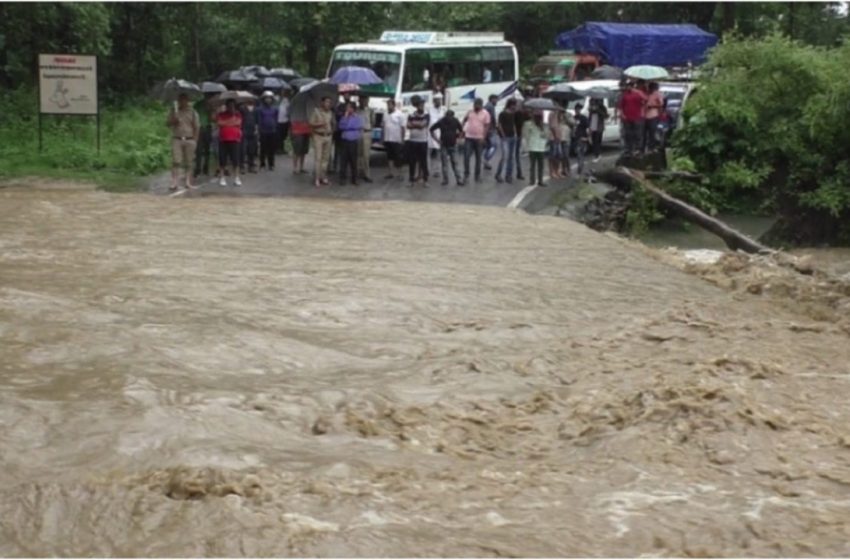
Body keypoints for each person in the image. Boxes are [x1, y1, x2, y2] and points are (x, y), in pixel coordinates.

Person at [167, 93, 200, 192]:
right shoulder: (174, 111)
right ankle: (174, 182)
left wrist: (195, 140)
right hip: (177, 138)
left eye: (184, 99)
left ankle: (188, 182)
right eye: (180, 99)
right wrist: (174, 120)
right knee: (176, 161)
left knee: (189, 162)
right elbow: (167, 123)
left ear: (187, 100)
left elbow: (197, 127)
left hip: (190, 139)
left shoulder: (193, 112)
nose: (182, 101)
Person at [429, 109, 464, 187]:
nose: (449, 118)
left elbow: (461, 131)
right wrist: (437, 140)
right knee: (452, 163)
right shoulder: (450, 120)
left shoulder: (448, 121)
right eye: (448, 116)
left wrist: (458, 140)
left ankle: (450, 180)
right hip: (447, 145)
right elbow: (431, 129)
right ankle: (455, 180)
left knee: (450, 163)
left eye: (449, 116)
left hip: (450, 144)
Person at [462, 97, 490, 183]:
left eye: (478, 105)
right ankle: (466, 175)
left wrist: (483, 137)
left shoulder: (485, 113)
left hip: (479, 138)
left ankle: (477, 176)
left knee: (478, 158)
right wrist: (461, 130)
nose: (476, 106)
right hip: (469, 137)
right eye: (475, 105)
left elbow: (487, 126)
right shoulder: (470, 112)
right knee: (466, 157)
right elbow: (464, 120)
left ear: (481, 105)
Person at [216, 98, 243, 187]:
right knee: (222, 159)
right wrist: (231, 122)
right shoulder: (221, 114)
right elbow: (220, 123)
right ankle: (222, 177)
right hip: (223, 139)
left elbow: (238, 123)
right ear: (226, 106)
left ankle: (236, 178)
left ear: (234, 106)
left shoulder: (238, 114)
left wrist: (226, 123)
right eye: (229, 105)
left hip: (235, 139)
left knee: (236, 160)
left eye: (232, 105)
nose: (231, 107)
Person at [405, 95, 430, 187]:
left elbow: (423, 125)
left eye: (422, 104)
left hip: (423, 141)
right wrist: (417, 124)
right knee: (412, 161)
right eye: (420, 105)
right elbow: (408, 125)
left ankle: (425, 180)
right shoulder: (411, 115)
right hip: (413, 141)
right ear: (416, 105)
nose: (422, 106)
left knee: (423, 161)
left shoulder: (426, 115)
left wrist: (414, 124)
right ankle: (411, 180)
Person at [310, 96, 335, 187]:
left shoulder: (330, 113)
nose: (328, 104)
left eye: (329, 102)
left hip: (328, 136)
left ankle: (323, 176)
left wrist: (332, 130)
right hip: (318, 136)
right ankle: (317, 178)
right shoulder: (316, 111)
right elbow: (311, 123)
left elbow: (332, 123)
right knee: (318, 158)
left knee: (326, 158)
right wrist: (320, 124)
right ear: (322, 103)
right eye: (326, 102)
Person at [337, 101, 363, 186]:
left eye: (349, 107)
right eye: (347, 107)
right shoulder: (344, 117)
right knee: (343, 160)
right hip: (344, 140)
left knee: (353, 160)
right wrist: (345, 118)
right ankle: (342, 178)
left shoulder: (357, 117)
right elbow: (341, 126)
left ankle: (354, 178)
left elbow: (357, 126)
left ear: (353, 108)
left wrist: (347, 126)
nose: (348, 109)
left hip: (353, 140)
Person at [618, 81, 646, 156]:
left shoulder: (638, 94)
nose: (629, 87)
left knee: (638, 134)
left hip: (637, 116)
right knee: (628, 134)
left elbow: (645, 100)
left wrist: (638, 92)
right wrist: (622, 114)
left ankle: (638, 148)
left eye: (630, 86)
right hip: (627, 117)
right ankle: (629, 149)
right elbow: (621, 106)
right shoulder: (625, 95)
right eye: (628, 86)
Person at [522, 111, 549, 187]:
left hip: (541, 147)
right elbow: (525, 135)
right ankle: (532, 180)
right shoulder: (528, 124)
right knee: (532, 165)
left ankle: (540, 180)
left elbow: (546, 136)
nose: (538, 119)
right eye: (536, 117)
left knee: (541, 165)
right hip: (532, 147)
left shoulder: (544, 126)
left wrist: (542, 128)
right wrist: (526, 146)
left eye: (539, 117)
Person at [495, 98, 518, 184]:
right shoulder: (503, 113)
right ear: (510, 105)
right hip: (505, 137)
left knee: (511, 157)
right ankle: (498, 174)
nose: (515, 107)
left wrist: (515, 133)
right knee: (505, 156)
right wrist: (503, 135)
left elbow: (513, 124)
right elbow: (500, 124)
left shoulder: (513, 114)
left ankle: (509, 175)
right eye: (514, 105)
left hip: (512, 136)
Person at [382, 98, 406, 180]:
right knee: (389, 157)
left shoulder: (400, 114)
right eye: (387, 104)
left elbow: (403, 127)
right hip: (388, 138)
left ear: (394, 105)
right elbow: (384, 126)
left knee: (398, 157)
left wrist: (402, 139)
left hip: (396, 139)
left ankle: (400, 174)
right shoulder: (385, 114)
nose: (388, 106)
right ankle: (390, 173)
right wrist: (383, 138)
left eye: (389, 104)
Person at [193, 93, 216, 178]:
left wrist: (210, 110)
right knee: (198, 150)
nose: (208, 98)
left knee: (207, 150)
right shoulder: (197, 104)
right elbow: (193, 116)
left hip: (207, 128)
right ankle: (197, 168)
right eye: (207, 96)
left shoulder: (211, 105)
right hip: (199, 128)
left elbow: (213, 119)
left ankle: (206, 167)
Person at [256, 91, 279, 171]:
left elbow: (276, 119)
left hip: (272, 131)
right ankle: (262, 164)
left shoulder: (275, 109)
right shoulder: (260, 109)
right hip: (263, 131)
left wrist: (275, 127)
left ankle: (271, 164)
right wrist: (259, 130)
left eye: (269, 98)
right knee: (263, 148)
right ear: (264, 99)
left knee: (271, 149)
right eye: (266, 98)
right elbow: (259, 120)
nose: (268, 100)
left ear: (272, 99)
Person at [330, 92, 351, 175]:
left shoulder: (351, 105)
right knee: (337, 150)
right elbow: (336, 115)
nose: (346, 96)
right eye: (345, 95)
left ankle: (344, 168)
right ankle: (335, 167)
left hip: (347, 131)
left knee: (347, 151)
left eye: (348, 95)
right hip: (338, 132)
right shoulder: (338, 106)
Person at [427, 93, 446, 177]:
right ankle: (427, 170)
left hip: (440, 133)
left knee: (439, 153)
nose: (439, 102)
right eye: (437, 100)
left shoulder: (444, 109)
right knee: (428, 152)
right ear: (434, 101)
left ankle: (437, 170)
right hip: (430, 133)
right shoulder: (429, 109)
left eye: (440, 100)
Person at [357, 96, 374, 182]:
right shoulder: (356, 110)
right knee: (358, 154)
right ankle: (358, 172)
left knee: (366, 155)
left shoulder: (370, 110)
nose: (364, 102)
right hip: (358, 133)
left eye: (366, 100)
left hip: (367, 133)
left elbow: (373, 122)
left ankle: (366, 174)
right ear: (359, 101)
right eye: (362, 100)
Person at [239, 98, 258, 174]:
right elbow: (240, 119)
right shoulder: (242, 108)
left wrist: (257, 129)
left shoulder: (256, 109)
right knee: (243, 150)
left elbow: (257, 120)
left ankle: (251, 165)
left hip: (253, 131)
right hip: (244, 130)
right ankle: (242, 166)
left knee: (252, 149)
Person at [644, 82, 664, 152]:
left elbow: (660, 105)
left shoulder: (657, 94)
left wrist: (652, 106)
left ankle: (651, 147)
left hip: (653, 115)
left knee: (652, 132)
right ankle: (645, 147)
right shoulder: (646, 94)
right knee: (645, 133)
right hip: (645, 115)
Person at [572, 103, 590, 175]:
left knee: (580, 154)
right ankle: (580, 168)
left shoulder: (583, 118)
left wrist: (587, 138)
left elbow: (588, 128)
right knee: (578, 153)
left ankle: (580, 169)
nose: (577, 110)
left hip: (582, 138)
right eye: (576, 109)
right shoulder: (573, 118)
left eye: (579, 109)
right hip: (575, 138)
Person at [588, 98, 609, 162]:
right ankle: (596, 154)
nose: (592, 104)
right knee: (594, 142)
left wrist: (598, 110)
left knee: (597, 141)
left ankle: (597, 155)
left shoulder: (602, 108)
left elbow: (606, 116)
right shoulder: (591, 109)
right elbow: (590, 118)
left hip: (599, 127)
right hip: (592, 126)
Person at [483, 94, 499, 170]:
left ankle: (486, 161)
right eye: (496, 99)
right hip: (490, 129)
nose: (497, 101)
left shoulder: (486, 106)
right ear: (492, 99)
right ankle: (486, 160)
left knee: (488, 145)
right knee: (494, 145)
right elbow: (492, 118)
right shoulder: (490, 107)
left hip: (486, 128)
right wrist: (496, 126)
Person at [514, 103, 529, 181]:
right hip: (517, 135)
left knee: (516, 155)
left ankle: (518, 172)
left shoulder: (522, 114)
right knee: (515, 155)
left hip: (518, 135)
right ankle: (518, 173)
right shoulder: (518, 114)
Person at [277, 88, 291, 155]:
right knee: (278, 136)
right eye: (282, 92)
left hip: (285, 121)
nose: (283, 93)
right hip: (278, 121)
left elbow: (289, 109)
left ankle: (281, 148)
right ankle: (278, 149)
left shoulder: (287, 100)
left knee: (283, 136)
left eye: (284, 92)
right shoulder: (277, 99)